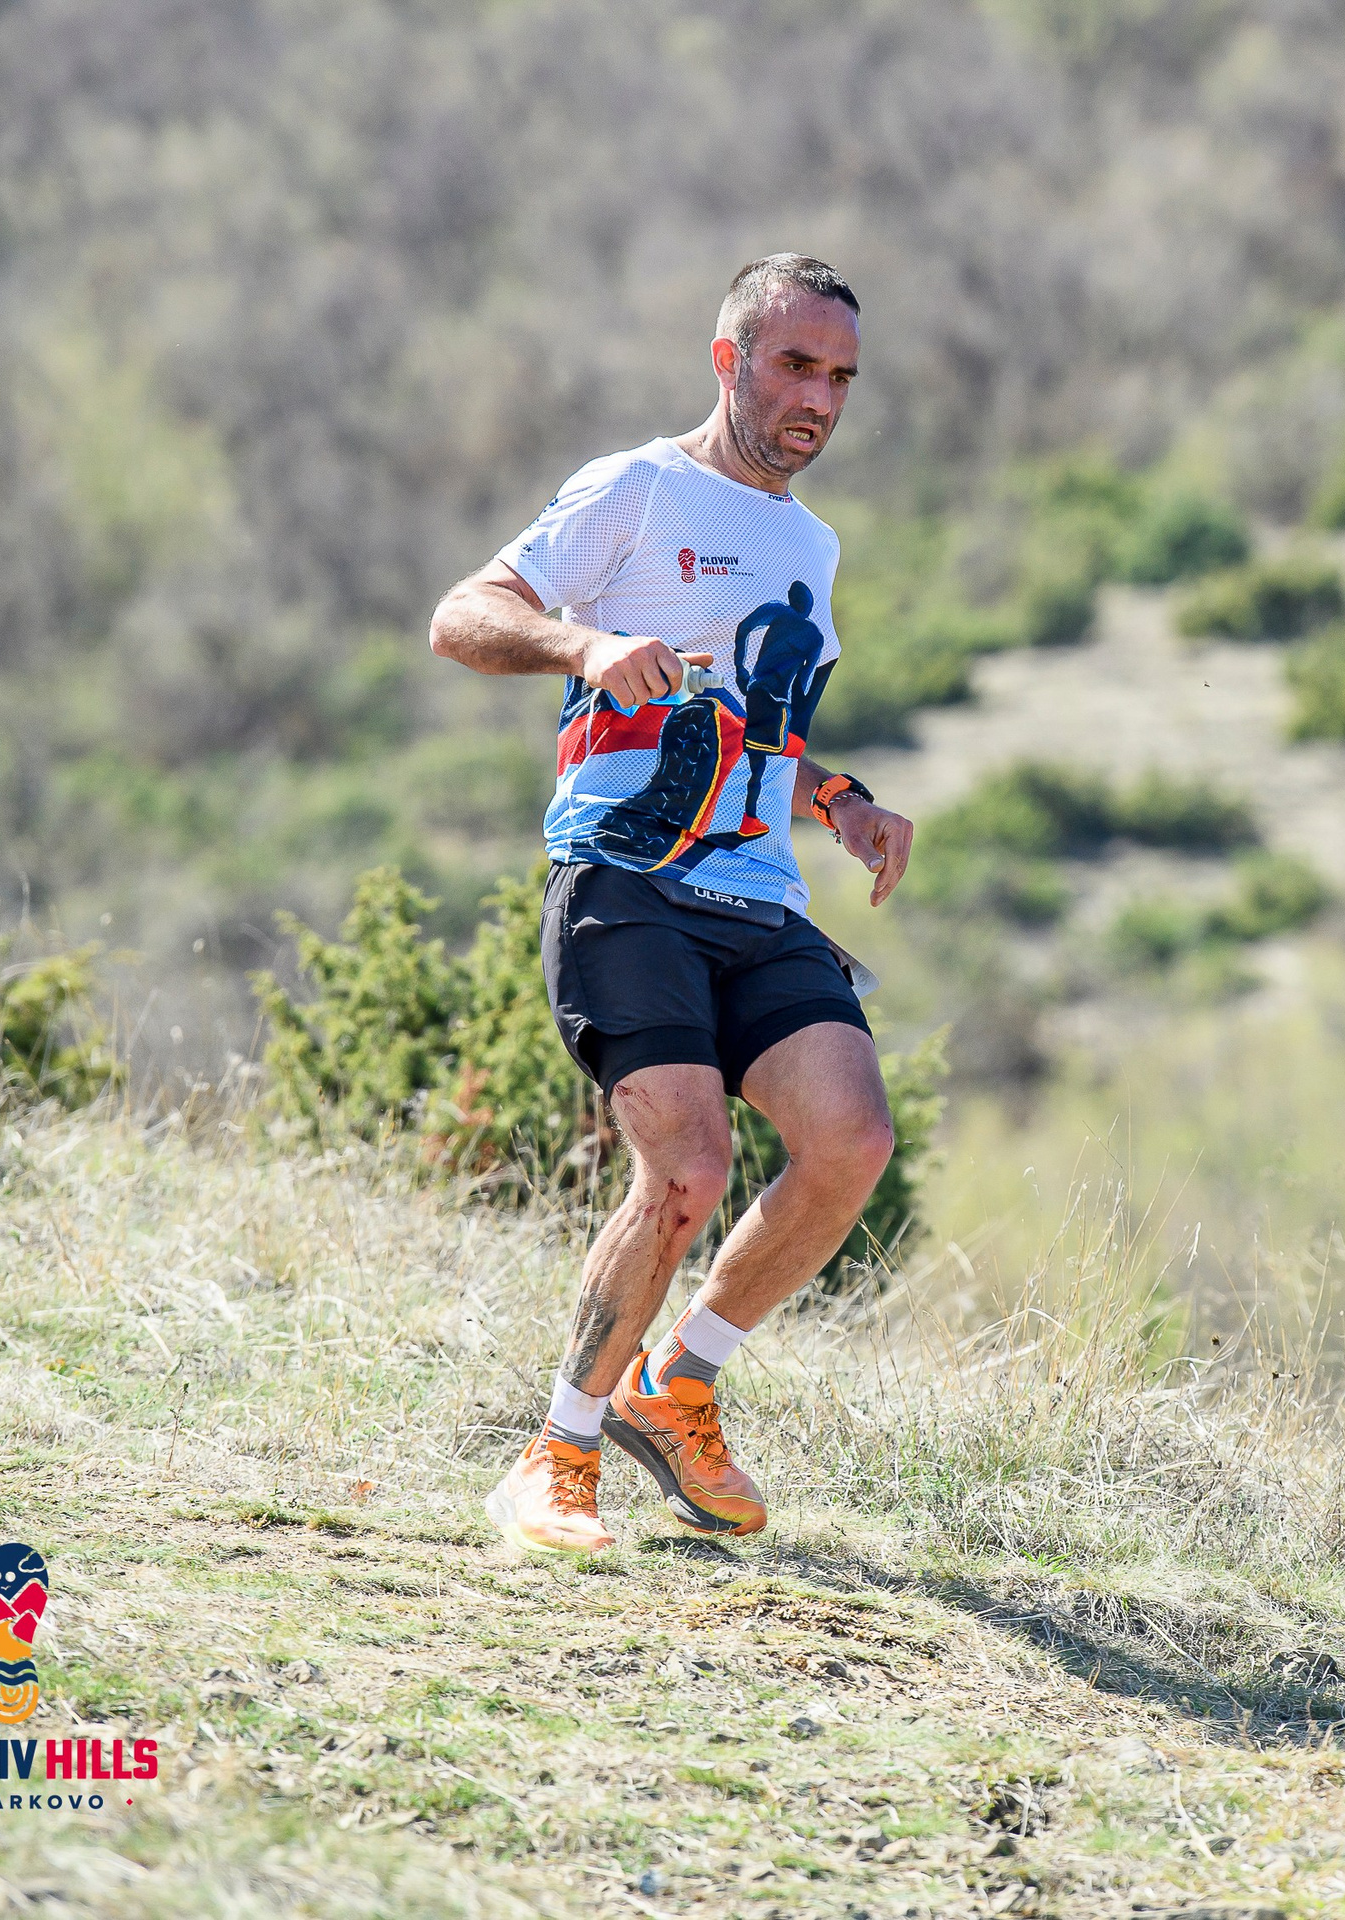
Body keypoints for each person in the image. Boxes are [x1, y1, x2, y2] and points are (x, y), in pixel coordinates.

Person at [427, 253, 915, 1551]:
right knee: (688, 1168)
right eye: (795, 364)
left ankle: (677, 1385)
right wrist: (584, 644)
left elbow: (752, 719)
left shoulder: (811, 544)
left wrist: (838, 794)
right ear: (729, 359)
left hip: (756, 894)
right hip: (625, 878)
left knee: (850, 1142)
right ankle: (555, 1456)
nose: (818, 397)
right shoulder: (637, 487)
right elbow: (463, 615)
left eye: (841, 377)